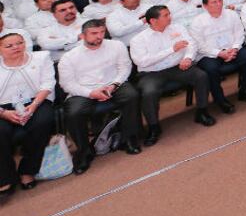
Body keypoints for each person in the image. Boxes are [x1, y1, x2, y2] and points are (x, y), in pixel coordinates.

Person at [58, 19, 142, 174]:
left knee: (131, 95)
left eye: (102, 32)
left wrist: (114, 85)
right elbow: (67, 84)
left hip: (113, 84)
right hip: (83, 91)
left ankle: (128, 138)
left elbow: (124, 67)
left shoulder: (116, 45)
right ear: (82, 36)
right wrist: (91, 93)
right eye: (94, 33)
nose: (99, 36)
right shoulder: (69, 57)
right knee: (73, 113)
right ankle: (84, 152)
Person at [129, 5, 216, 147]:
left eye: (169, 14)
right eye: (165, 15)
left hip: (177, 66)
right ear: (153, 21)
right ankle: (153, 127)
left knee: (201, 76)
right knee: (149, 92)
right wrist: (171, 49)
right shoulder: (139, 39)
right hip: (152, 73)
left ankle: (202, 112)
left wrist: (188, 58)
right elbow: (142, 61)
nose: (170, 17)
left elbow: (191, 44)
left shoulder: (178, 28)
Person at [0, 31, 55, 197]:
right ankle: (5, 178)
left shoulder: (41, 58)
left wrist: (33, 106)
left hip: (36, 100)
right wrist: (4, 113)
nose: (16, 47)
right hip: (3, 107)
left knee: (42, 122)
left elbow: (48, 83)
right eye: (9, 46)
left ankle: (27, 170)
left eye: (19, 43)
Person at [189, 0, 246, 113]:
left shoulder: (231, 14)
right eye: (214, 2)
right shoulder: (197, 22)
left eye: (220, 0)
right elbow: (199, 45)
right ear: (205, 6)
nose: (218, 4)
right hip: (209, 54)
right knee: (211, 69)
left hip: (232, 48)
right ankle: (220, 100)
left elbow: (239, 33)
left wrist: (235, 48)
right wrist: (220, 53)